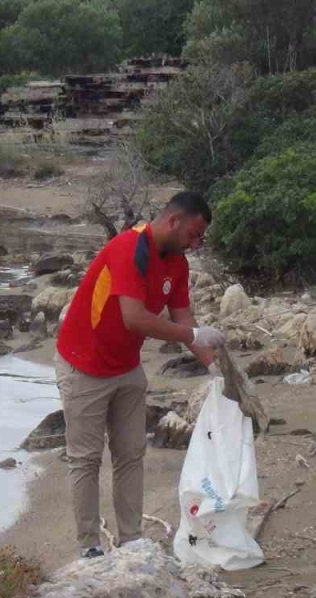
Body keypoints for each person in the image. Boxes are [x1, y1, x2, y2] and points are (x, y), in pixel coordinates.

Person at [56, 191, 226, 559]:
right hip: (83, 364)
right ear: (173, 221)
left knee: (131, 452)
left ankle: (131, 539)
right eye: (194, 235)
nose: (196, 244)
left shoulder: (177, 264)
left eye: (201, 239)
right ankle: (89, 545)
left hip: (126, 366)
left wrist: (213, 365)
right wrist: (192, 336)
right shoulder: (129, 248)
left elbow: (184, 319)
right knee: (85, 457)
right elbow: (134, 317)